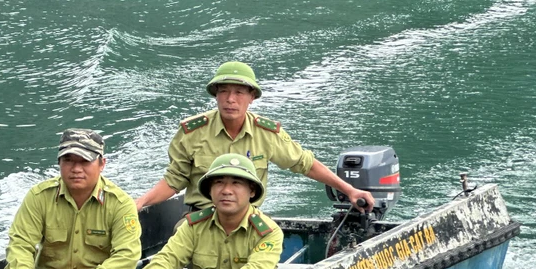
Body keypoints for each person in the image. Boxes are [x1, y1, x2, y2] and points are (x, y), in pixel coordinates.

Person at [134, 61, 375, 213]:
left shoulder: (266, 134)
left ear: (252, 98)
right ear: (215, 96)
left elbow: (305, 164)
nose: (231, 99)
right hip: (201, 217)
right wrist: (140, 202)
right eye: (224, 92)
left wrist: (349, 189)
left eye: (239, 92)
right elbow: (174, 180)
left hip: (248, 219)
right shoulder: (192, 133)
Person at [0, 129, 141, 269]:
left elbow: (126, 256)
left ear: (102, 164)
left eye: (85, 161)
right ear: (59, 162)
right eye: (68, 160)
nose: (76, 169)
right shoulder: (39, 196)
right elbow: (20, 243)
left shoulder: (120, 203)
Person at [142, 154, 284, 269]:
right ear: (210, 190)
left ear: (252, 191)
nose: (226, 190)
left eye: (236, 183)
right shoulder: (194, 226)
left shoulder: (268, 231)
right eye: (219, 182)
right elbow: (166, 259)